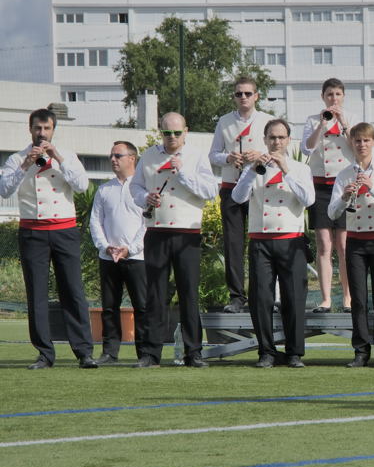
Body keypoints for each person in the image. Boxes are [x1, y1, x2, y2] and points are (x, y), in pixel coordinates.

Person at [0, 108, 97, 369]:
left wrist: (58, 158)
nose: (42, 133)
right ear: (30, 129)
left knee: (73, 291)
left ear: (53, 130)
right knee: (37, 294)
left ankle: (84, 352)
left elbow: (82, 185)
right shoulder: (16, 159)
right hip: (32, 232)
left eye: (46, 128)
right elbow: (4, 190)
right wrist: (25, 165)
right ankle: (45, 353)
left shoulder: (67, 155)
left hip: (64, 230)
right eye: (37, 128)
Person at [131, 112, 219, 368]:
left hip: (187, 233)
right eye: (167, 132)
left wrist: (184, 173)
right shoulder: (149, 155)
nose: (172, 137)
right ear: (161, 132)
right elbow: (135, 187)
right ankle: (151, 353)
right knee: (155, 294)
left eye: (177, 132)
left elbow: (210, 191)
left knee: (188, 293)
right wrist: (145, 197)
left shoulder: (196, 156)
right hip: (156, 230)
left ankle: (193, 352)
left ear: (186, 132)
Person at [232, 119, 315, 369]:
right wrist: (251, 170)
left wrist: (286, 170)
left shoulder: (300, 168)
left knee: (294, 297)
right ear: (265, 140)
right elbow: (238, 197)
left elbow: (309, 200)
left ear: (288, 140)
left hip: (291, 240)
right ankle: (266, 351)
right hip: (261, 240)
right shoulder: (255, 167)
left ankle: (294, 353)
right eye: (272, 137)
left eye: (281, 137)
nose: (276, 142)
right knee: (261, 299)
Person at [329, 122, 374, 368]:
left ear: (373, 142)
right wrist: (344, 197)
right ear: (352, 143)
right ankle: (361, 351)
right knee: (358, 299)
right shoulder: (344, 174)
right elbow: (331, 213)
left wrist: (373, 188)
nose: (362, 145)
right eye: (358, 141)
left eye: (366, 140)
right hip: (355, 241)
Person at [209, 76, 272, 313]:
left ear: (256, 96)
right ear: (234, 97)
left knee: (260, 242)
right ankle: (236, 296)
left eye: (247, 93)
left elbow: (279, 151)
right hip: (230, 187)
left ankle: (262, 294)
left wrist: (260, 154)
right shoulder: (224, 121)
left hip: (258, 188)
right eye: (239, 94)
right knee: (233, 244)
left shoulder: (267, 120)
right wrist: (228, 157)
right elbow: (213, 155)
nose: (243, 97)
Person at [90, 141, 148, 365]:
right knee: (109, 307)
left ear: (132, 158)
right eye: (111, 156)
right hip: (108, 257)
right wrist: (105, 246)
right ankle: (109, 353)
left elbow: (147, 223)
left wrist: (130, 249)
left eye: (118, 155)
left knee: (142, 307)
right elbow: (95, 222)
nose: (113, 159)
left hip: (137, 258)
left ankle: (145, 353)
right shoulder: (104, 189)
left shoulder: (143, 189)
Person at [301, 77, 355, 313]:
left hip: (343, 186)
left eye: (337, 94)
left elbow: (358, 147)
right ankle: (325, 299)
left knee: (343, 244)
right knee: (324, 244)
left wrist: (344, 123)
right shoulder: (313, 120)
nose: (334, 98)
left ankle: (348, 297)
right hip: (320, 186)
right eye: (329, 94)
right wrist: (321, 126)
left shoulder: (351, 118)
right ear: (323, 97)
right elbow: (306, 148)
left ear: (343, 96)